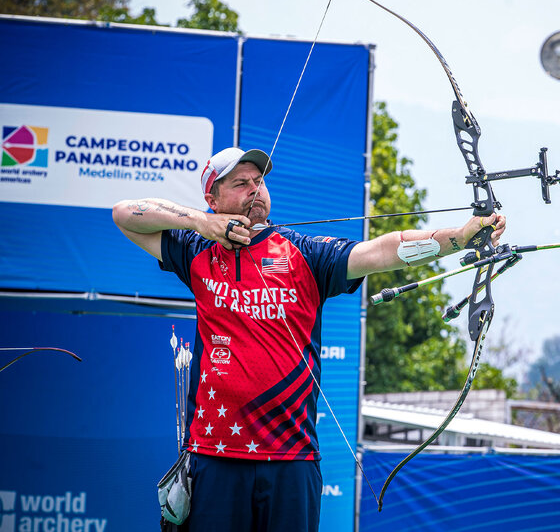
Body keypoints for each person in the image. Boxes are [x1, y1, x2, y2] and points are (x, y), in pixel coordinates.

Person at [112, 146, 506, 532]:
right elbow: (125, 214)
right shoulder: (196, 252)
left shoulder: (303, 252)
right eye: (239, 183)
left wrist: (459, 237)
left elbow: (382, 252)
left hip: (292, 456)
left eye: (259, 181)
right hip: (214, 456)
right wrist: (200, 223)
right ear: (212, 198)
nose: (254, 189)